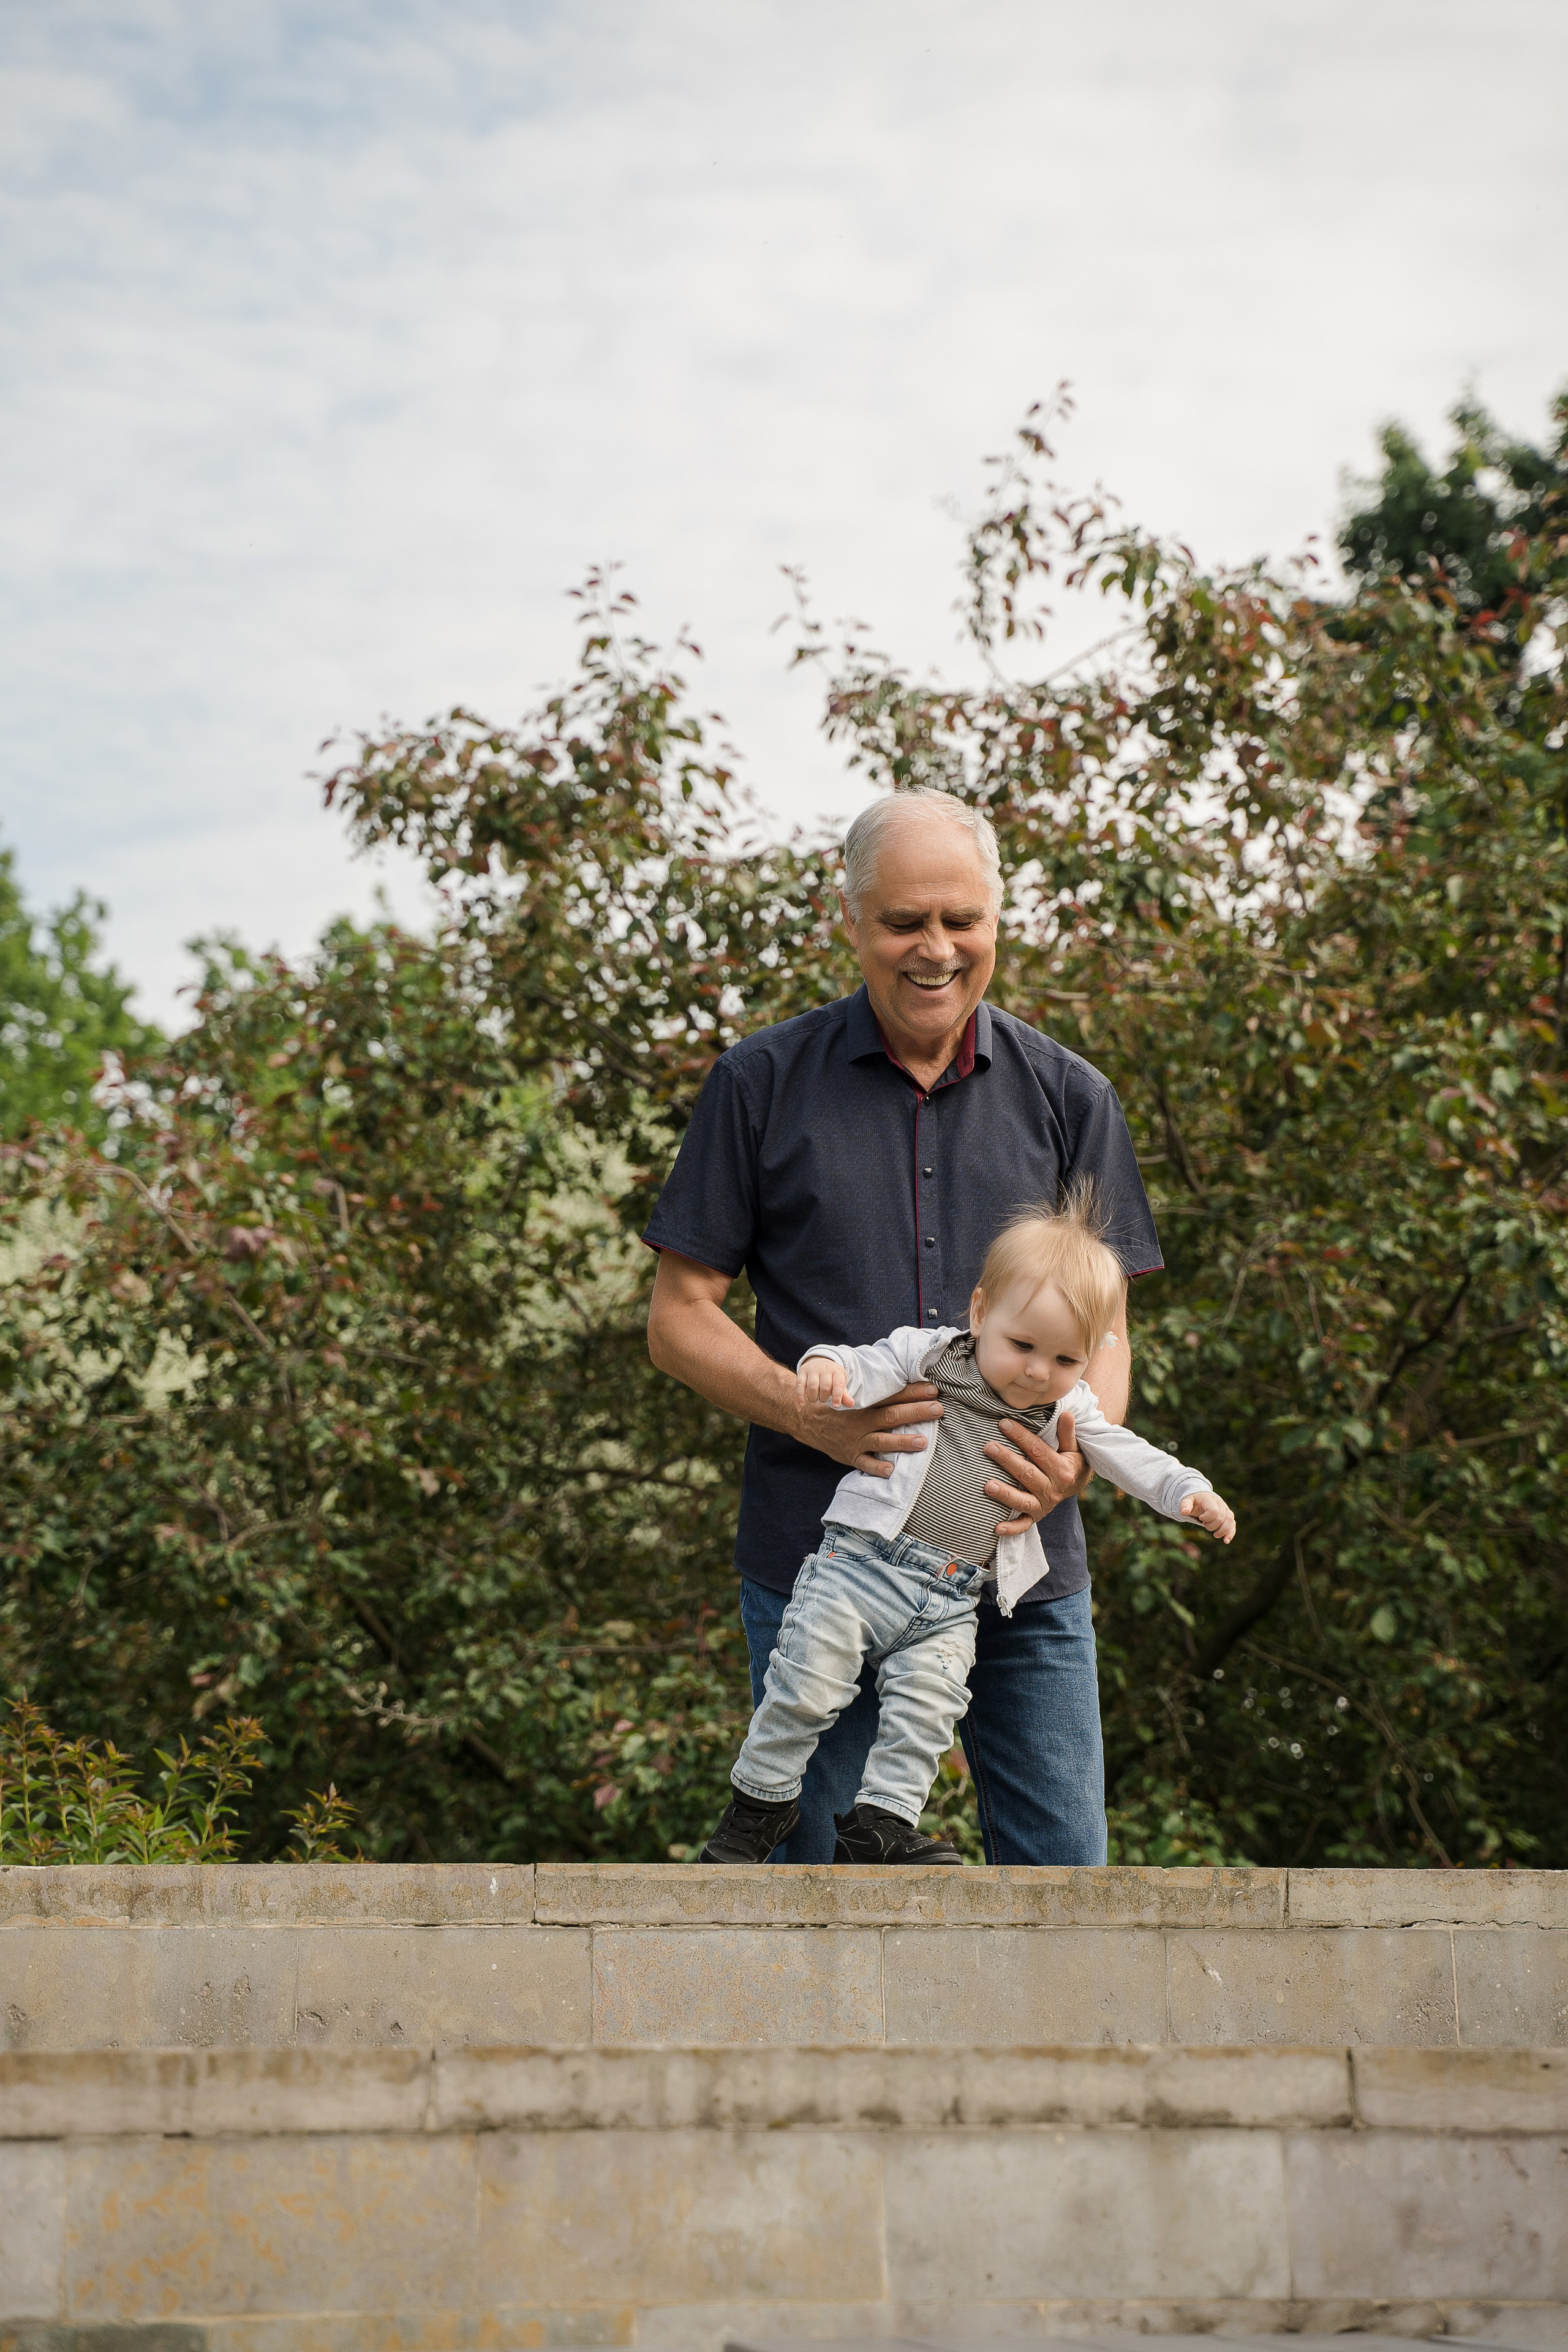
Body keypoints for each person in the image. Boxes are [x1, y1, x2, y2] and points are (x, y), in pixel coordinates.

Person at [644, 787, 1164, 1865]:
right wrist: (806, 1410)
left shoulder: (1071, 1097)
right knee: (816, 1896)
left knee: (1066, 1884)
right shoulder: (758, 1086)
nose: (937, 949)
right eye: (904, 923)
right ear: (850, 922)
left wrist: (1071, 1457)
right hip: (817, 1559)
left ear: (997, 921)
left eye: (961, 921)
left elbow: (1107, 1333)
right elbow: (679, 1317)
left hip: (1023, 1563)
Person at [699, 1198, 1235, 1864]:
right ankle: (761, 1803)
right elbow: (860, 1364)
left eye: (1065, 1359)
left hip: (952, 1599)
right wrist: (824, 1370)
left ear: (1088, 1357)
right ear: (981, 1313)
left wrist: (1188, 1490)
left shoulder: (1066, 1404)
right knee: (806, 1684)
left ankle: (882, 1822)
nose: (1038, 1371)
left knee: (926, 1712)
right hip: (860, 1567)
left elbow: (1128, 1454)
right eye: (1022, 1346)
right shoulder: (930, 1354)